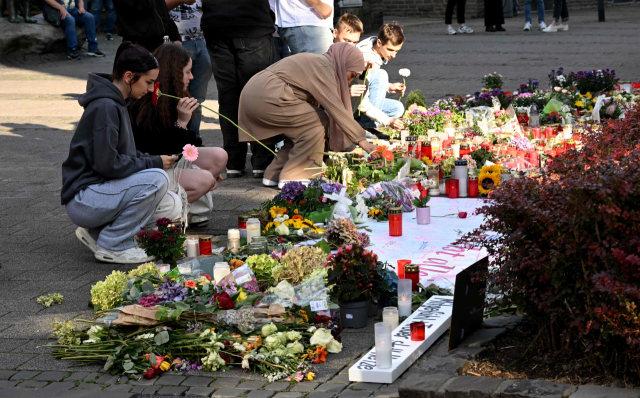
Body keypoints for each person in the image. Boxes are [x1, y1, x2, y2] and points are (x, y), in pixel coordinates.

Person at [62, 42, 181, 264]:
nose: (149, 89)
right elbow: (108, 165)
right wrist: (153, 163)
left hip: (97, 193)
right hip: (84, 198)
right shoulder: (106, 106)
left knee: (171, 204)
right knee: (157, 179)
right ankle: (113, 244)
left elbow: (122, 156)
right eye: (148, 82)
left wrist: (151, 160)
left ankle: (97, 234)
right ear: (129, 76)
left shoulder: (115, 101)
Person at [238, 42, 380, 189]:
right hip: (268, 95)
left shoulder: (319, 62)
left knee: (301, 130)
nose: (349, 82)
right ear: (343, 64)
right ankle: (296, 177)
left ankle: (273, 174)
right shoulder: (324, 67)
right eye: (351, 75)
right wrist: (362, 140)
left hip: (255, 93)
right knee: (317, 121)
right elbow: (336, 108)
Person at [130, 43, 227, 225]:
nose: (191, 77)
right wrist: (181, 123)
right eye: (187, 71)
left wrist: (184, 126)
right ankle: (163, 214)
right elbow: (159, 151)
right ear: (174, 73)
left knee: (219, 157)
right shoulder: (145, 102)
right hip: (151, 168)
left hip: (170, 161)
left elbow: (188, 144)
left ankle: (189, 211)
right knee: (204, 178)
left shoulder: (174, 96)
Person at [201, 0, 276, 179]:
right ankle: (262, 161)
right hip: (252, 22)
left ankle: (233, 161)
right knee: (257, 94)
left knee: (228, 96)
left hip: (216, 23)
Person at [167, 0, 212, 140]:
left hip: (201, 40)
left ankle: (194, 138)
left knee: (196, 99)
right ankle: (175, 139)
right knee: (174, 95)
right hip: (176, 41)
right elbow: (159, 7)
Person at [354, 23, 406, 133]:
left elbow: (370, 82)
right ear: (379, 42)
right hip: (355, 104)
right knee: (382, 74)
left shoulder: (376, 50)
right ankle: (368, 127)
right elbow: (361, 100)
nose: (394, 55)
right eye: (390, 50)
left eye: (397, 51)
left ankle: (364, 122)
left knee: (398, 108)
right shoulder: (365, 58)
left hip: (364, 101)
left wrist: (389, 87)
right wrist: (387, 121)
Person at [112, 0, 181, 52]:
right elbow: (134, 9)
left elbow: (164, 13)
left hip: (160, 44)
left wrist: (175, 37)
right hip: (138, 45)